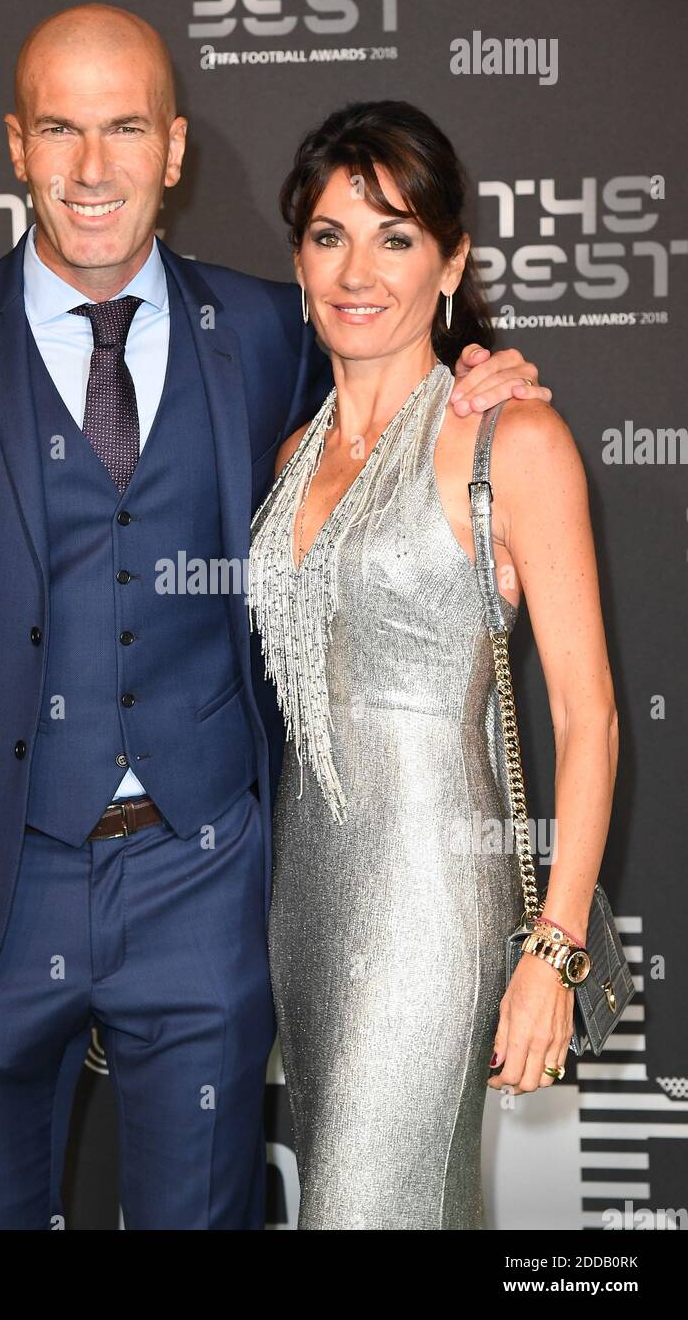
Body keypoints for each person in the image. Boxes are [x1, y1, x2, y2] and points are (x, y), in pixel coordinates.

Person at [0, 7, 551, 1231]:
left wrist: (490, 371)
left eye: (124, 127)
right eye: (59, 128)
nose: (91, 167)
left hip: (204, 881)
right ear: (15, 146)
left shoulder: (274, 328)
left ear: (174, 150)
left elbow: (401, 392)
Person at [247, 100, 618, 1230]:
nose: (359, 269)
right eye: (328, 235)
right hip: (303, 906)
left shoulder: (511, 439)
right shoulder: (289, 451)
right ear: (299, 258)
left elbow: (588, 715)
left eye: (396, 236)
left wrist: (552, 954)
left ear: (450, 260)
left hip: (429, 907)